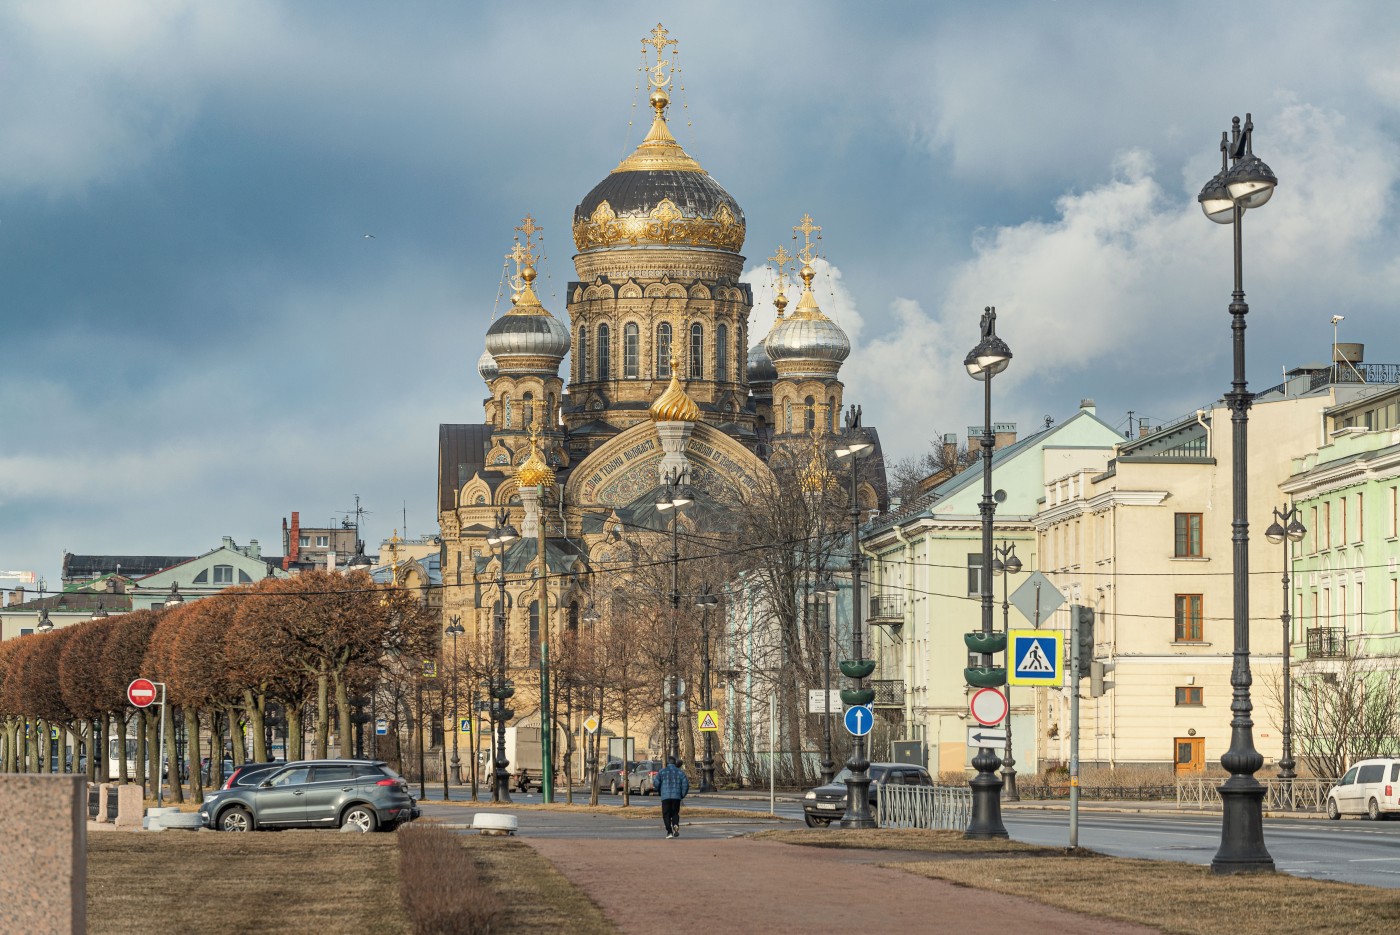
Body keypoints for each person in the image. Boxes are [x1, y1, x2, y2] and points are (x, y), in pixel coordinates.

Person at [653, 755, 690, 838]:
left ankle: (669, 832)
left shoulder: (661, 772)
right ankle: (675, 825)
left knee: (666, 814)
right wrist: (682, 795)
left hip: (665, 797)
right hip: (676, 797)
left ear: (667, 763)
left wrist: (659, 790)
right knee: (675, 813)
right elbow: (685, 785)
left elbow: (656, 783)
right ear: (675, 763)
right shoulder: (680, 772)